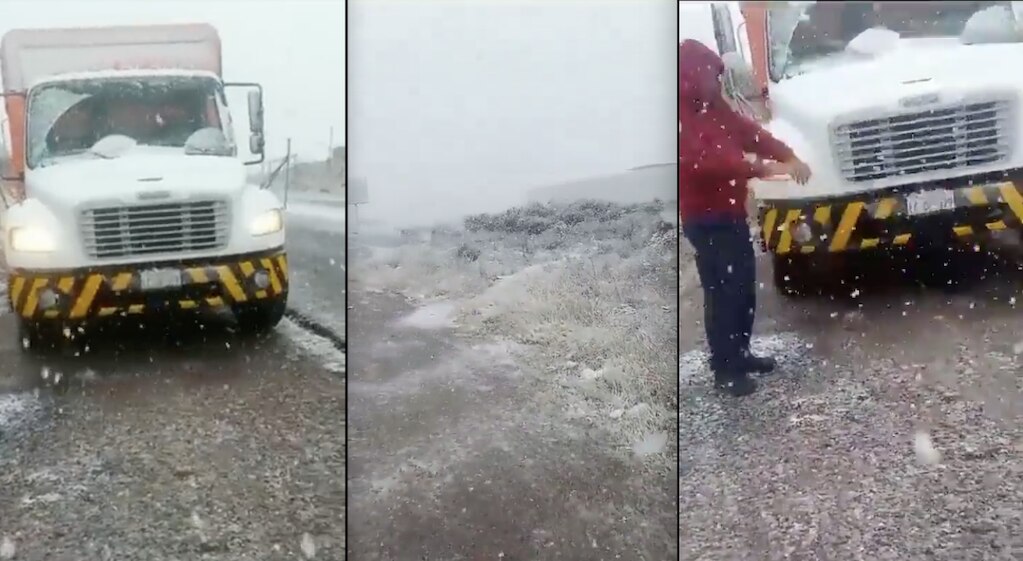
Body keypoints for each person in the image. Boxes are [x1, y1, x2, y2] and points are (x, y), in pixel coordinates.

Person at [678, 39, 811, 397]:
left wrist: (789, 155)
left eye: (716, 75)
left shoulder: (716, 109)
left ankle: (741, 352)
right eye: (709, 75)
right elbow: (706, 163)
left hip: (731, 213)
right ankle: (725, 368)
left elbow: (751, 134)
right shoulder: (681, 118)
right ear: (691, 77)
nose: (716, 82)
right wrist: (761, 167)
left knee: (743, 287)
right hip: (705, 220)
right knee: (723, 293)